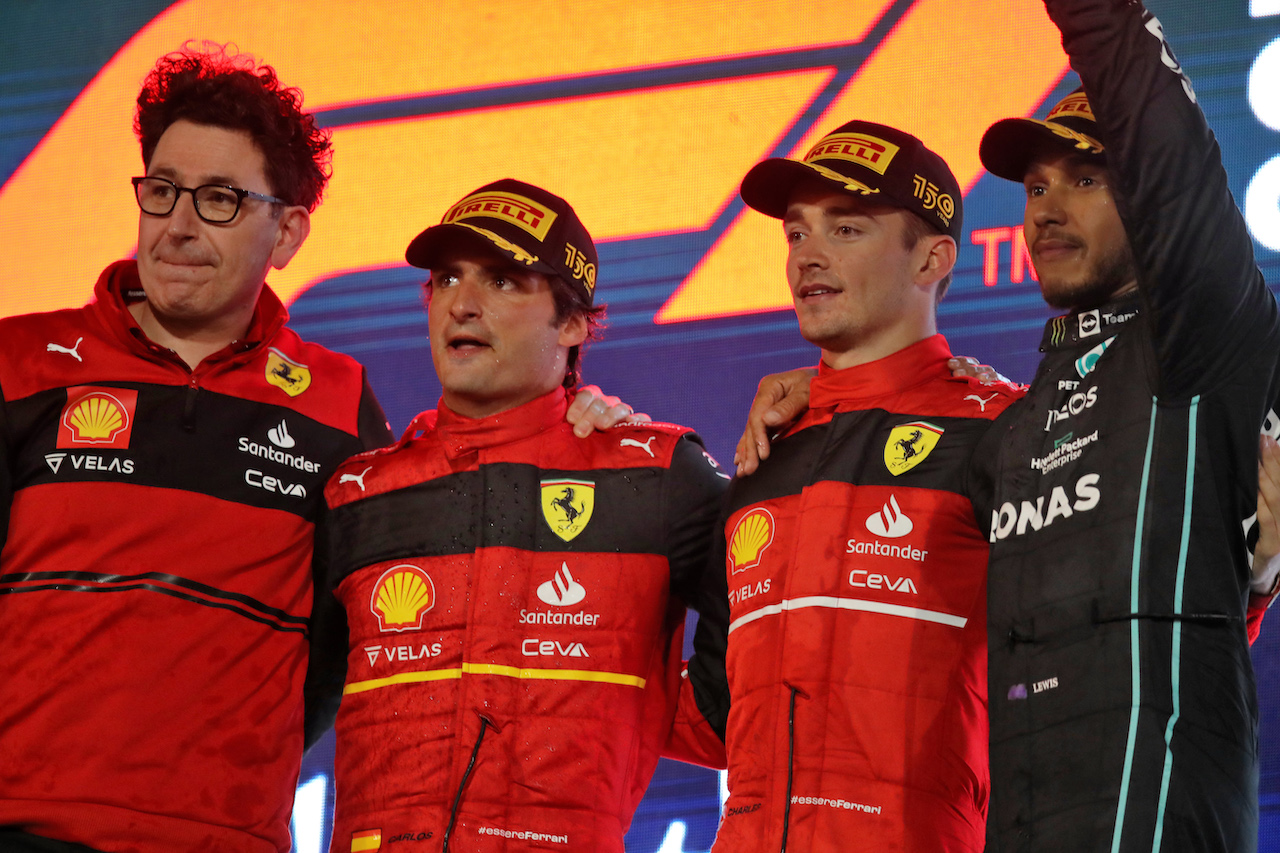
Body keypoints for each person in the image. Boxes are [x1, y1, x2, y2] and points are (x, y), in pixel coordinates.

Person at [0, 44, 396, 852]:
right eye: (164, 191)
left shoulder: (339, 404)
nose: (178, 225)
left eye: (219, 199)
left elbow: (351, 645)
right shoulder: (16, 365)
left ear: (287, 232)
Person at [320, 178, 730, 852]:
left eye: (505, 281)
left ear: (572, 324)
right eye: (447, 278)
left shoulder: (655, 477)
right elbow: (279, 702)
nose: (463, 303)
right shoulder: (359, 492)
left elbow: (746, 693)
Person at [970, 1, 1280, 848]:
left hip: (1164, 802)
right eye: (1035, 187)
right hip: (1024, 811)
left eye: (1087, 179)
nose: (1045, 210)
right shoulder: (1012, 421)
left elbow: (1163, 138)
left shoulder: (1201, 338)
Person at [688, 119, 1023, 852]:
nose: (808, 255)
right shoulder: (764, 452)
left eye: (846, 230)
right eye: (797, 233)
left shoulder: (1003, 427)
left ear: (933, 257)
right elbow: (712, 713)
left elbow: (1109, 637)